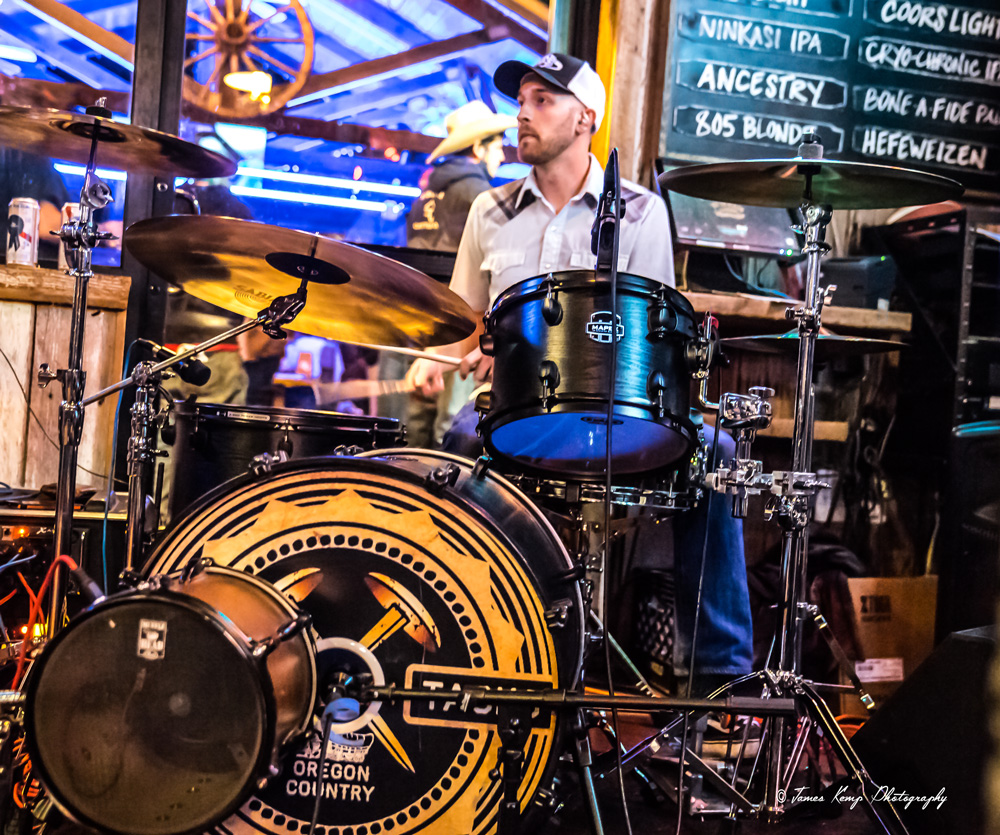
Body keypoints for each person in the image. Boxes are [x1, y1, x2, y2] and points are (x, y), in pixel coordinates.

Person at [407, 52, 753, 693]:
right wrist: (454, 354)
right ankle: (463, 649)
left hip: (617, 415)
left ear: (584, 117)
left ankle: (719, 681)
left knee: (718, 454)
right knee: (454, 449)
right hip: (508, 413)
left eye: (543, 100)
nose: (523, 113)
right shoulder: (490, 210)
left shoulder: (642, 212)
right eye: (521, 101)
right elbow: (464, 324)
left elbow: (655, 331)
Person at [379, 101, 517, 446]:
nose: (501, 156)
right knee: (451, 430)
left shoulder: (427, 192)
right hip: (456, 323)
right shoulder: (480, 197)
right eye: (498, 146)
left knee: (410, 428)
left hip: (411, 316)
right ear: (477, 147)